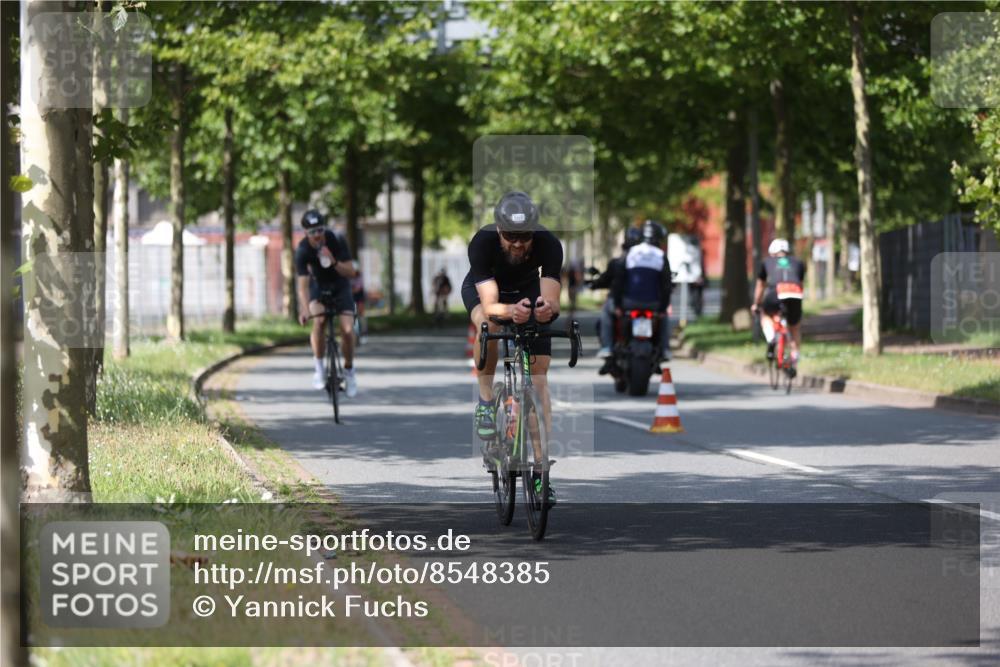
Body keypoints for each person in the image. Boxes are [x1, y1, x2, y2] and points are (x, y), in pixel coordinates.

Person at [463, 191, 561, 503]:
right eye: (511, 236)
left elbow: (552, 297)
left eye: (524, 236)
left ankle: (540, 471)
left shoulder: (549, 243)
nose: (518, 243)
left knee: (539, 376)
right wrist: (511, 312)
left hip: (528, 290)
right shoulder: (482, 242)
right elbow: (491, 305)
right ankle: (486, 401)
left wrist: (546, 309)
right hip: (488, 291)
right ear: (499, 230)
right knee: (488, 324)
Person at [295, 209, 359, 397]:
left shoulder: (336, 239)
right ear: (306, 233)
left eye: (320, 230)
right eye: (312, 232)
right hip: (319, 287)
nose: (317, 235)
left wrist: (333, 261)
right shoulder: (303, 250)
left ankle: (349, 371)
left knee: (347, 330)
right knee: (319, 321)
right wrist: (305, 310)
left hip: (341, 286)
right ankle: (320, 368)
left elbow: (351, 272)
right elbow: (303, 286)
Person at [610, 220, 673, 365]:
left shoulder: (630, 253)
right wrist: (663, 308)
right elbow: (666, 285)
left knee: (613, 317)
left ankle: (613, 347)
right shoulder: (661, 256)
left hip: (629, 303)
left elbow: (619, 281)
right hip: (653, 304)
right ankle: (664, 349)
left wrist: (618, 304)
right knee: (663, 319)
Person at [751, 238, 805, 369]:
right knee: (795, 326)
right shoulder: (798, 262)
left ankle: (771, 338)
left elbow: (760, 285)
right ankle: (795, 355)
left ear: (772, 253)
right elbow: (800, 282)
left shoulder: (767, 262)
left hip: (776, 292)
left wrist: (756, 304)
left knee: (764, 313)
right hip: (795, 294)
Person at [595, 226, 643, 364]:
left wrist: (594, 284)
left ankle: (607, 346)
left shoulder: (618, 262)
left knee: (606, 311)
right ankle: (663, 348)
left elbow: (607, 280)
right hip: (649, 302)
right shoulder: (652, 260)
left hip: (623, 303)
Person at [351, 270, 368, 345]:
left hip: (359, 298)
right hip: (351, 298)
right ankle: (355, 336)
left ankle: (363, 334)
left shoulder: (359, 277)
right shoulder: (348, 277)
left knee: (361, 316)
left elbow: (357, 289)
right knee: (353, 317)